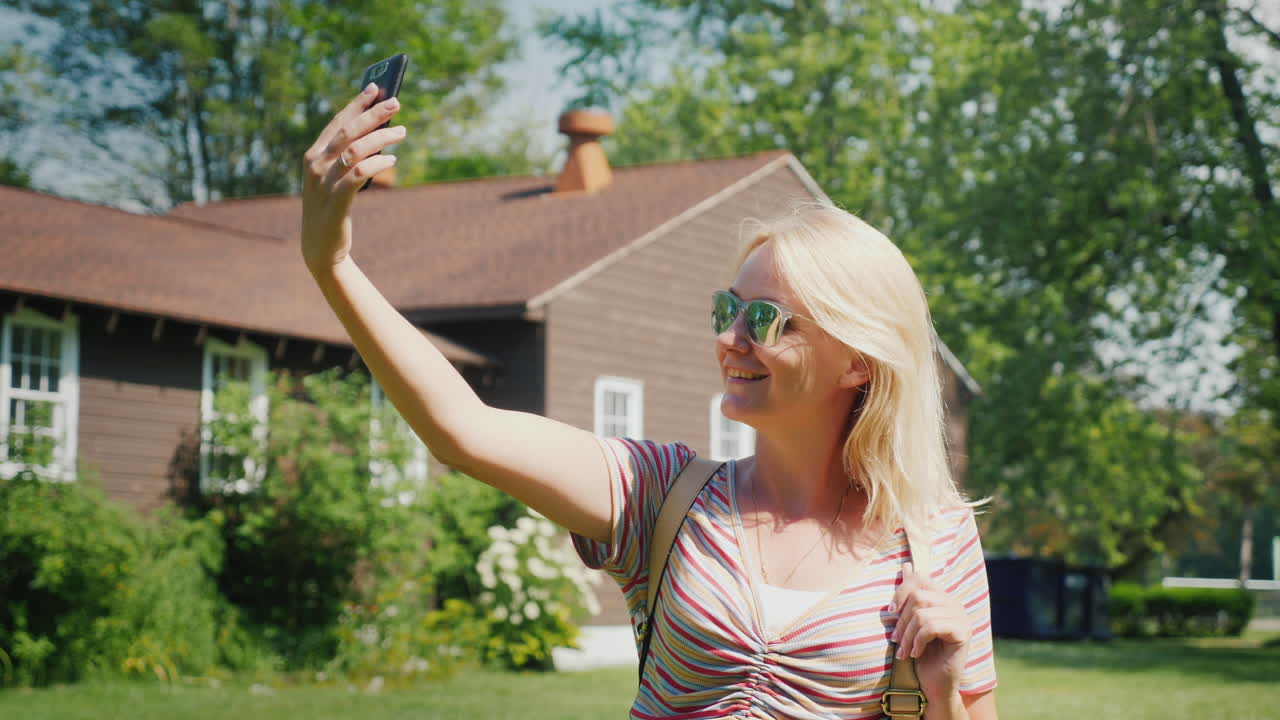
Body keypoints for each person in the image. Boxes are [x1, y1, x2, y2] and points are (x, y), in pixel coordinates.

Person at [301, 85, 998, 720]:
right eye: (727, 309)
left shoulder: (932, 540)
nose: (729, 340)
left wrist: (943, 694)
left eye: (763, 320)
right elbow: (464, 429)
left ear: (857, 361)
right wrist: (332, 263)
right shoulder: (661, 497)